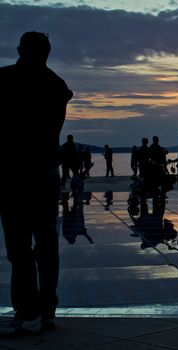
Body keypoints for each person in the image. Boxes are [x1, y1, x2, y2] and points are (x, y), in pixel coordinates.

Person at [0, 32, 73, 335]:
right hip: (44, 175)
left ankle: (28, 311)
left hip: (16, 176)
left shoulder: (5, 80)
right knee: (45, 245)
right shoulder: (56, 85)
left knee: (21, 248)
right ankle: (45, 311)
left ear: (20, 50)